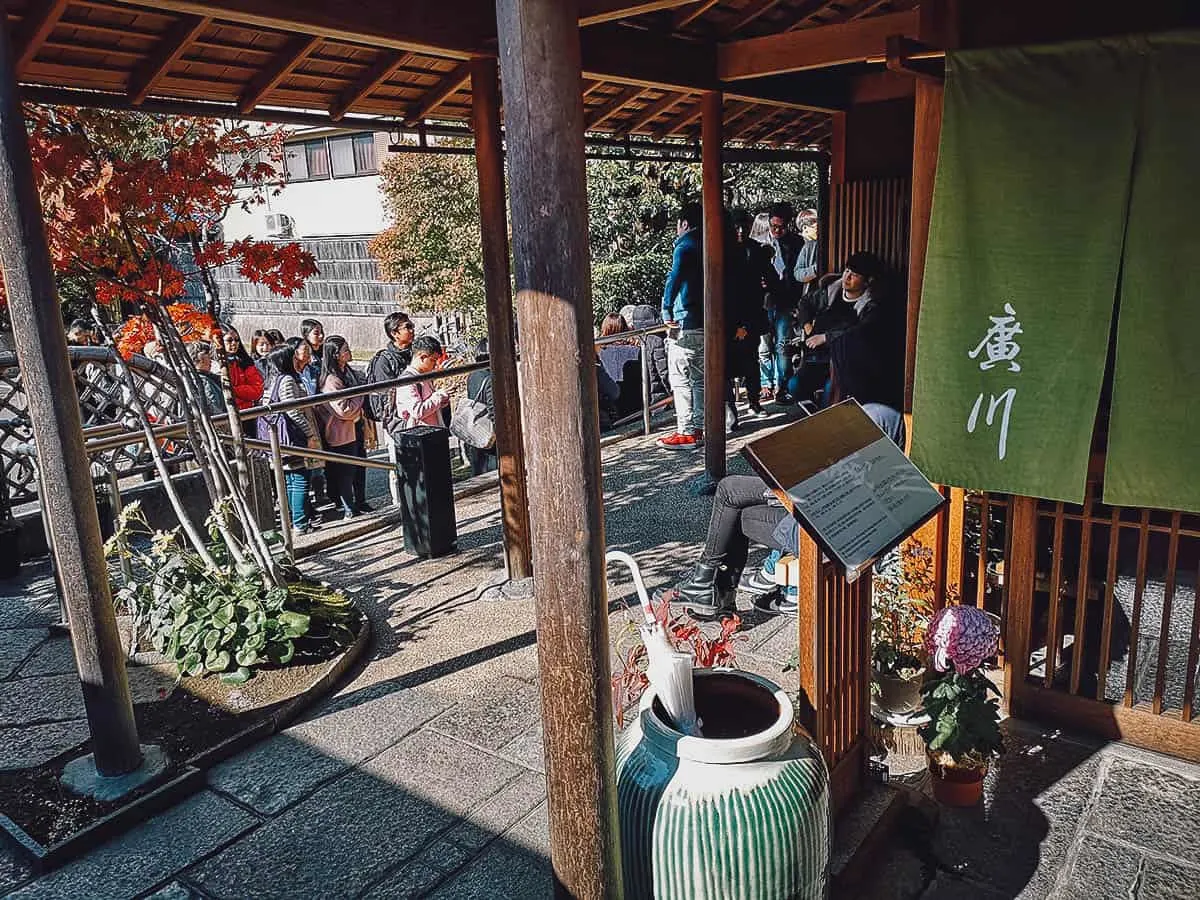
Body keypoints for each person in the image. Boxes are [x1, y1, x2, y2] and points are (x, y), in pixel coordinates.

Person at [791, 251, 888, 406]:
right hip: (817, 358)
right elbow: (805, 302)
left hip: (844, 364)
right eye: (847, 271)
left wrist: (826, 337)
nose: (847, 277)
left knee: (831, 394)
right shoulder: (831, 290)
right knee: (794, 387)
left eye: (854, 275)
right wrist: (807, 325)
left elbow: (860, 332)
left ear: (867, 281)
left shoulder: (870, 305)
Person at [656, 201, 705, 450]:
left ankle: (686, 431)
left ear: (684, 223)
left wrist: (666, 309)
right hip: (707, 320)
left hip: (685, 320)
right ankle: (699, 426)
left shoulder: (685, 246)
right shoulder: (712, 243)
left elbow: (674, 279)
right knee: (699, 378)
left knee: (680, 377)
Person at [259, 344, 321, 534]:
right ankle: (300, 522)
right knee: (300, 479)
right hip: (291, 438)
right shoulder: (286, 380)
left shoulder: (270, 380)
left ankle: (297, 521)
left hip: (278, 438)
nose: (296, 359)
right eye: (292, 356)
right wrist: (310, 433)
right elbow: (293, 411)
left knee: (289, 481)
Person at [727, 209, 773, 428]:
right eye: (736, 226)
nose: (740, 231)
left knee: (751, 361)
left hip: (751, 314)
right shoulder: (722, 251)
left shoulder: (756, 250)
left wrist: (746, 323)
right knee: (724, 367)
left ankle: (754, 401)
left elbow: (769, 281)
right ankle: (729, 410)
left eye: (744, 226)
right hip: (726, 317)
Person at [317, 335, 368, 519]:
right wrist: (360, 396)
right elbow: (344, 411)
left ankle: (360, 502)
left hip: (355, 428)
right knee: (345, 473)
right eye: (345, 350)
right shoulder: (331, 381)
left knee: (359, 467)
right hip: (340, 432)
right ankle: (348, 507)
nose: (349, 352)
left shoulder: (349, 372)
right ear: (336, 354)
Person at [763, 203, 804, 403]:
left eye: (781, 227)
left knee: (782, 345)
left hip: (787, 300)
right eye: (773, 226)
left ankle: (783, 387)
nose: (777, 231)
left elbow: (797, 276)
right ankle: (766, 384)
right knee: (765, 345)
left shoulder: (797, 243)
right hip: (765, 299)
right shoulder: (762, 243)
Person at [367, 311, 416, 434]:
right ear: (394, 333)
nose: (412, 330)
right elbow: (386, 397)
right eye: (408, 327)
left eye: (412, 326)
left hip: (417, 414)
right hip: (397, 422)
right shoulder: (384, 361)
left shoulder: (415, 353)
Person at [394, 335, 450, 430]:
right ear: (423, 357)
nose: (435, 365)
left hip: (432, 431)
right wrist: (439, 395)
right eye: (433, 360)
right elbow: (418, 411)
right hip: (419, 436)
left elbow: (430, 404)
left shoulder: (423, 376)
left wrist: (442, 402)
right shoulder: (407, 381)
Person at [618, 303, 671, 403]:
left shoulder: (643, 342)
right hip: (663, 400)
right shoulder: (657, 340)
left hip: (652, 399)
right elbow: (664, 373)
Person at [597, 313, 643, 418]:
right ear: (625, 327)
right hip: (635, 405)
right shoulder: (637, 350)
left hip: (611, 407)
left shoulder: (598, 351)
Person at [463, 338, 498, 476]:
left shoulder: (473, 375)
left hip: (476, 431)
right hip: (489, 437)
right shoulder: (490, 378)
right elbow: (493, 411)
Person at [219, 324, 264, 410]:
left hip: (246, 412)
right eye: (229, 340)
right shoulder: (213, 365)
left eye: (236, 340)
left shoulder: (245, 362)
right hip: (224, 414)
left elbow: (257, 390)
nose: (234, 343)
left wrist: (233, 390)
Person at [186, 341, 225, 413]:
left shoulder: (190, 378)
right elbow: (215, 408)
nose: (211, 361)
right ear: (200, 359)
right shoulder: (203, 381)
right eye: (208, 357)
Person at [793, 209, 820, 301]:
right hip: (811, 294)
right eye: (813, 225)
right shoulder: (807, 247)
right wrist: (815, 270)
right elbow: (797, 273)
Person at [300, 318, 324, 392]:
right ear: (306, 335)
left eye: (322, 332)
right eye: (316, 333)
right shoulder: (304, 355)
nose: (321, 336)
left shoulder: (324, 350)